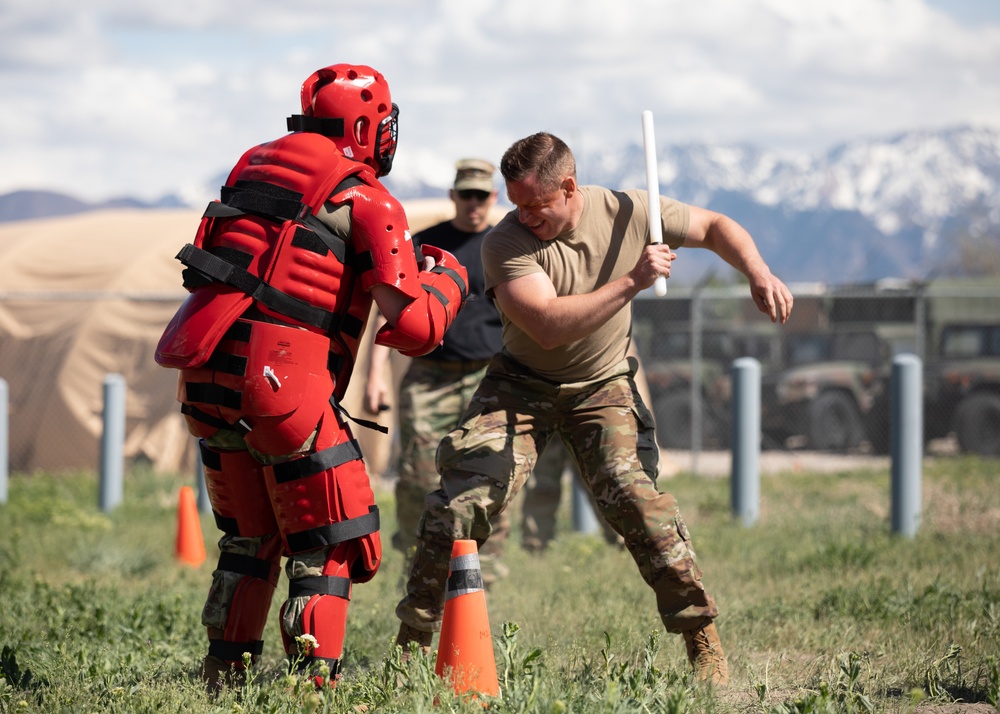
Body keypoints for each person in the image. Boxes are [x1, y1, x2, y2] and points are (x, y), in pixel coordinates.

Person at [394, 131, 794, 686]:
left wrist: (757, 270)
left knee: (636, 500)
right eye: (515, 204)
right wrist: (636, 279)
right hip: (521, 384)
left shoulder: (629, 211)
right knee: (459, 505)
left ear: (569, 187)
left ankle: (703, 641)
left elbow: (714, 226)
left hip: (602, 385)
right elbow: (549, 326)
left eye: (535, 205)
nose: (523, 216)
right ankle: (411, 647)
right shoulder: (504, 244)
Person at [153, 63, 469, 693]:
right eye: (383, 122)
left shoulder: (252, 171)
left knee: (250, 539)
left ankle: (223, 677)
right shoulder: (368, 200)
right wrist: (450, 276)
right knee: (334, 543)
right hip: (281, 387)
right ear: (365, 125)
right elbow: (416, 329)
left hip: (208, 380)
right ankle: (311, 690)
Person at [363, 158, 513, 586]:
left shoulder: (503, 245)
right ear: (453, 196)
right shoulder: (427, 246)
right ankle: (415, 558)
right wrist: (376, 377)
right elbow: (387, 313)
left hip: (487, 376)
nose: (473, 203)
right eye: (465, 194)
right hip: (430, 376)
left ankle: (489, 570)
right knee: (417, 474)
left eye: (481, 195)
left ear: (493, 197)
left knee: (493, 472)